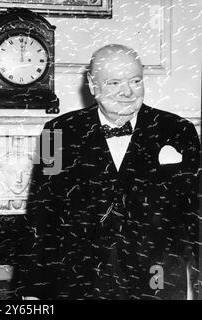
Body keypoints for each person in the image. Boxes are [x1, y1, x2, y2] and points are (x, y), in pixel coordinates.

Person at [14, 44, 200, 300]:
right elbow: (40, 215)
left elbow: (197, 214)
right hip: (79, 283)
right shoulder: (55, 132)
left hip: (157, 282)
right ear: (92, 85)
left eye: (136, 80)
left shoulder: (178, 130)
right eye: (114, 83)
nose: (127, 91)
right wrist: (31, 289)